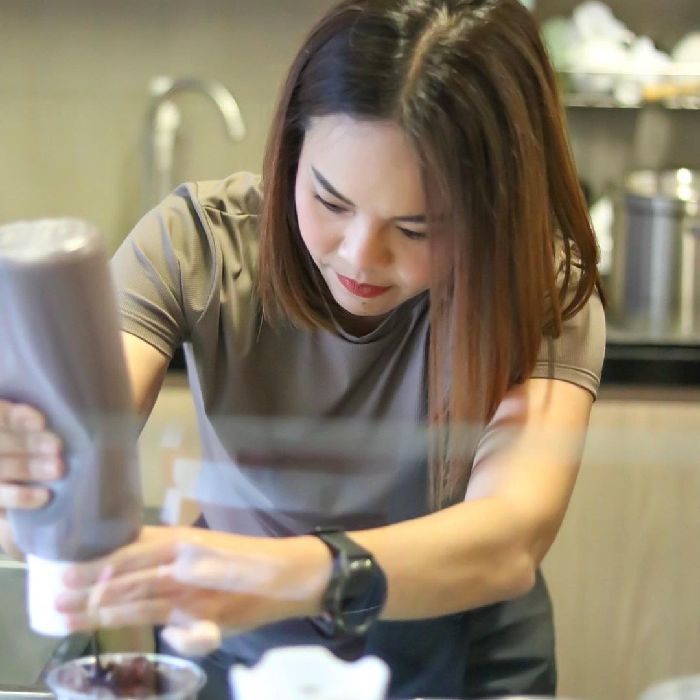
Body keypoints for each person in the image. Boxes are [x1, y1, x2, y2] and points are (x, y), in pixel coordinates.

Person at [0, 0, 606, 697]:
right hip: (237, 656)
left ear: (495, 206)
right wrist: (32, 473)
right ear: (291, 148)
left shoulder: (537, 288)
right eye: (330, 201)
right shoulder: (201, 244)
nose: (361, 256)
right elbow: (76, 447)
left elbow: (508, 536)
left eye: (418, 228)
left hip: (463, 662)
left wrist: (271, 575)